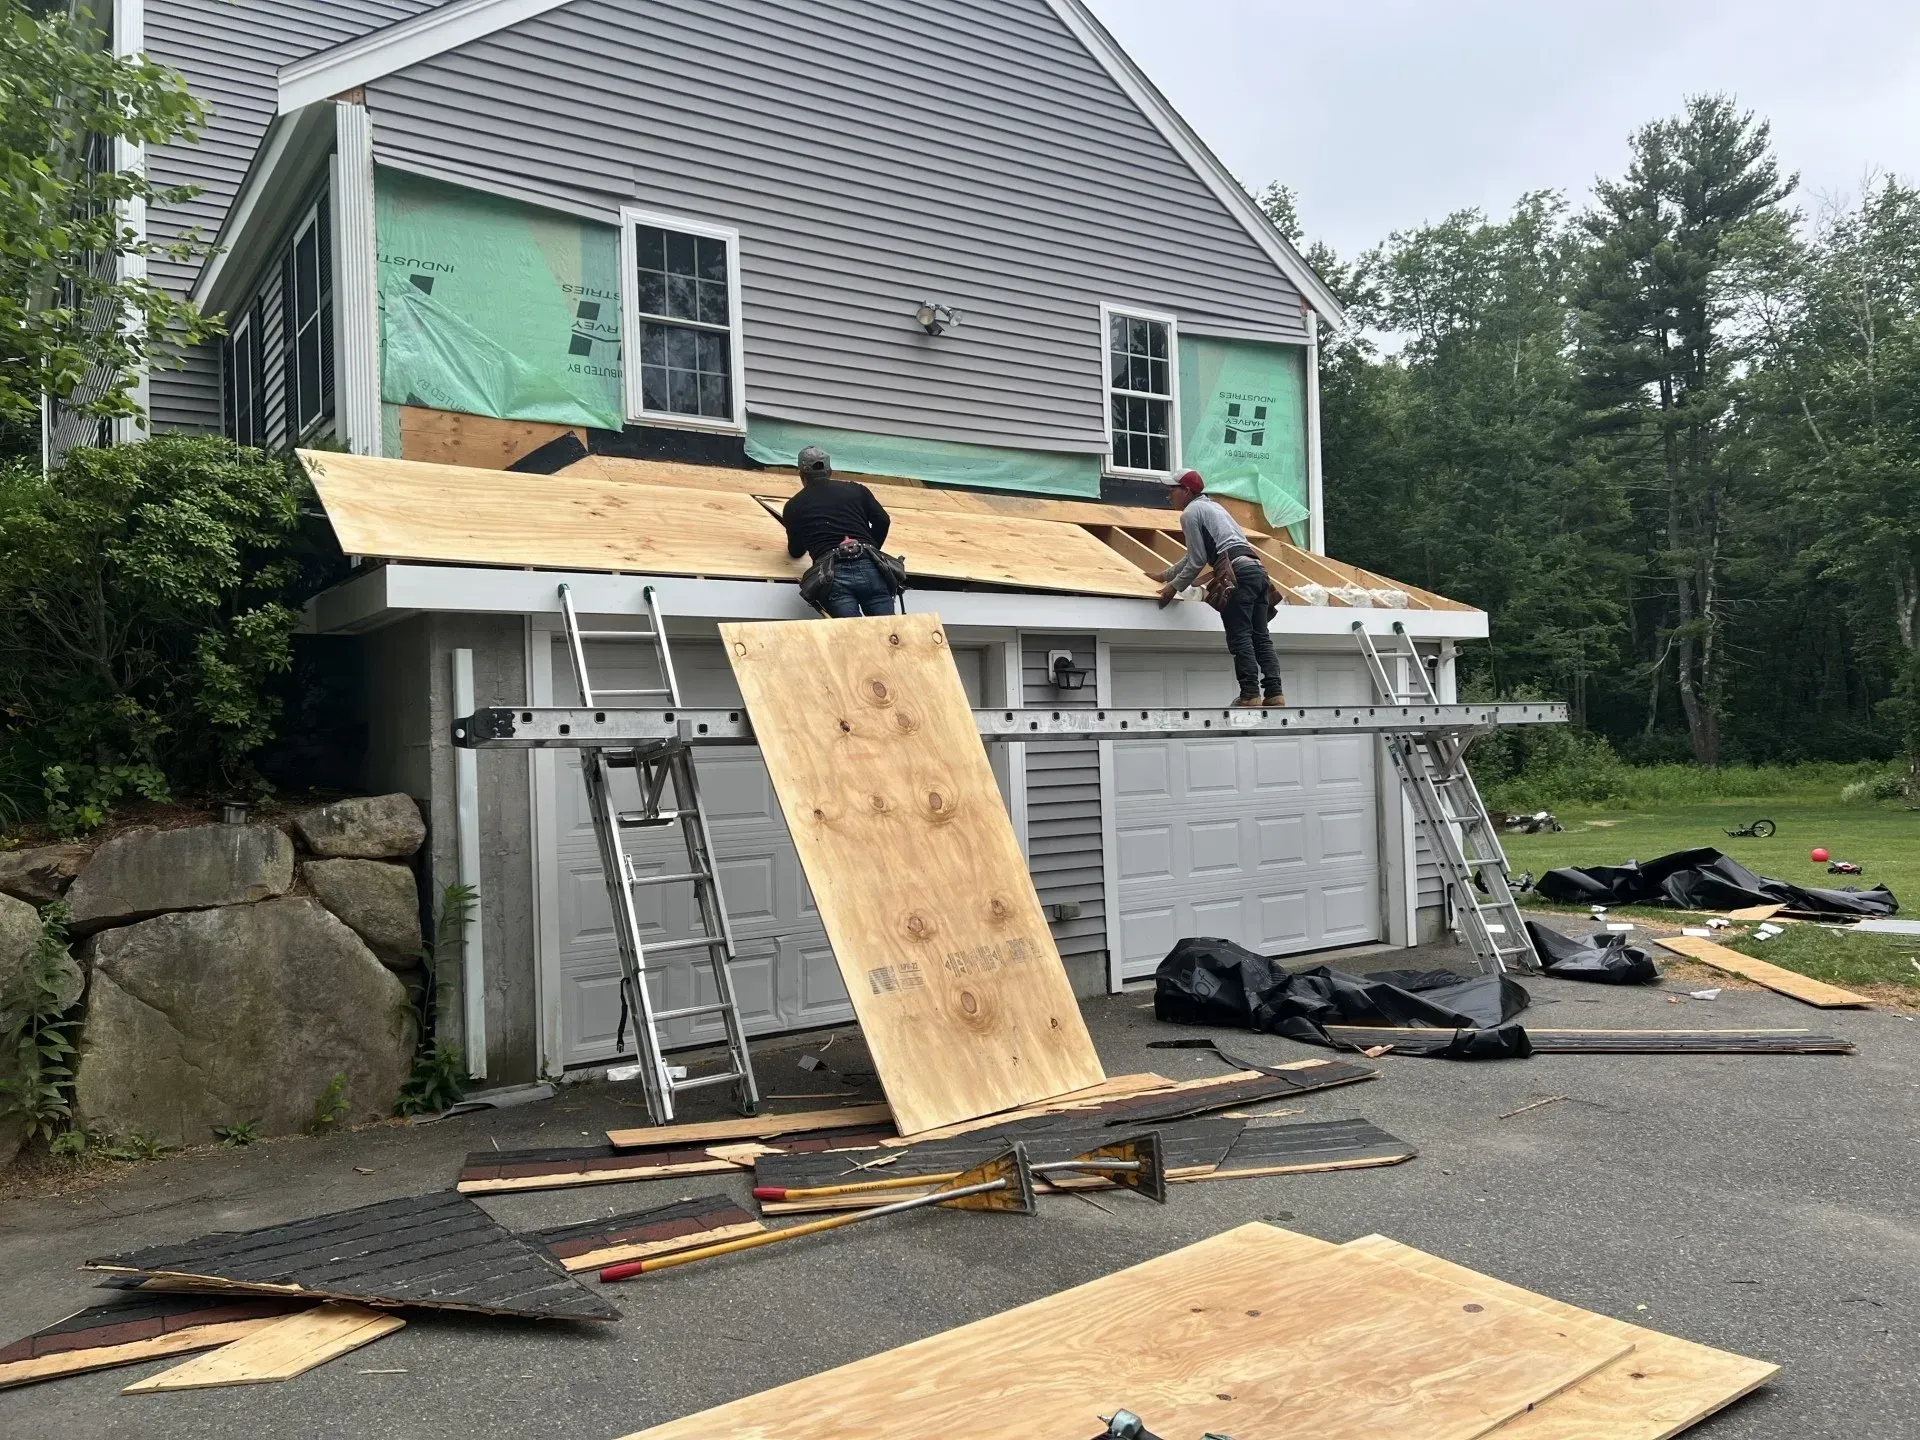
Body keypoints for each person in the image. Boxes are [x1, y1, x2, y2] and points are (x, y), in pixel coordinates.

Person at [1157, 469, 1285, 707]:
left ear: (1186, 491)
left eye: (1172, 490)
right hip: (1258, 571)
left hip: (1236, 573)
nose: (1168, 496)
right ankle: (1274, 693)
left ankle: (1249, 695)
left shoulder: (1191, 512)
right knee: (1260, 636)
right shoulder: (1215, 508)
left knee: (1240, 636)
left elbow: (1196, 560)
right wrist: (1165, 575)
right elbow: (1195, 556)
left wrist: (1172, 589)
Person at [780, 445, 900, 618]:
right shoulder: (857, 490)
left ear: (801, 475)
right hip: (870, 568)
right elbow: (883, 520)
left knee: (851, 637)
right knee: (888, 633)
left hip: (833, 575)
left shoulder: (794, 506)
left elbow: (796, 550)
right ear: (830, 471)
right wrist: (870, 549)